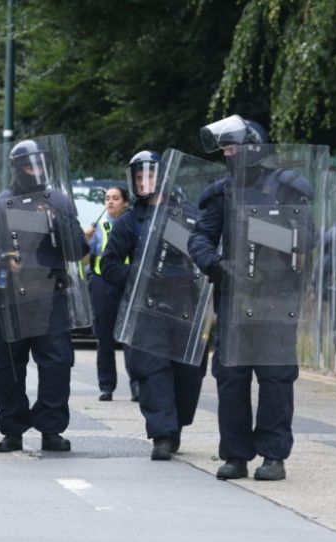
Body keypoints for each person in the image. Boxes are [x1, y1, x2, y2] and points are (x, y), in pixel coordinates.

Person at [188, 115, 315, 481]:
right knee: (231, 378)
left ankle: (273, 456)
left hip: (276, 299)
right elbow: (200, 237)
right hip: (232, 301)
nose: (227, 153)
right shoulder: (221, 191)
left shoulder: (287, 187)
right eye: (224, 148)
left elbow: (306, 238)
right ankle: (236, 454)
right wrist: (215, 264)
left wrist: (259, 231)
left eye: (232, 147)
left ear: (253, 147)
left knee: (275, 379)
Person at [0, 139, 89, 453]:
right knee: (6, 367)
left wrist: (56, 220)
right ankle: (13, 430)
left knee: (57, 366)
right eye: (28, 165)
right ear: (17, 167)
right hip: (11, 301)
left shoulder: (59, 202)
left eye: (39, 164)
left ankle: (51, 429)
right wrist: (1, 257)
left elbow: (78, 249)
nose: (35, 171)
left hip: (51, 295)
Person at [101, 150, 207, 461]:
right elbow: (108, 265)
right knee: (152, 370)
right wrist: (137, 279)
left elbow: (205, 254)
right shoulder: (130, 221)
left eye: (149, 175)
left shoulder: (188, 215)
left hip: (185, 307)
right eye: (138, 177)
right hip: (146, 309)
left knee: (188, 373)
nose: (143, 181)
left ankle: (175, 426)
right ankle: (161, 433)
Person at [84, 186, 137, 401]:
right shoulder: (97, 228)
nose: (110, 202)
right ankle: (106, 386)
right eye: (107, 198)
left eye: (115, 198)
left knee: (132, 337)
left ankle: (137, 386)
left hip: (128, 284)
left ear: (125, 202)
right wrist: (85, 241)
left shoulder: (133, 225)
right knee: (104, 337)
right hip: (102, 284)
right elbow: (84, 260)